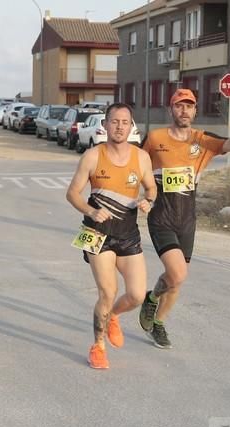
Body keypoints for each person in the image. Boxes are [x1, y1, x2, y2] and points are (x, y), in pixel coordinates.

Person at [139, 89, 230, 349]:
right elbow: (137, 164)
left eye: (189, 107)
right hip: (161, 216)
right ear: (172, 109)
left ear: (195, 111)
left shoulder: (203, 140)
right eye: (179, 106)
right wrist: (144, 195)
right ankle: (154, 304)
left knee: (177, 278)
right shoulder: (155, 138)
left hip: (187, 219)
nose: (184, 111)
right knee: (178, 274)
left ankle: (156, 313)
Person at [66, 102, 157, 369]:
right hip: (96, 232)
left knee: (138, 295)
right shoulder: (93, 156)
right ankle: (98, 346)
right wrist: (90, 211)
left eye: (125, 122)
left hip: (128, 233)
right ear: (105, 125)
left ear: (131, 126)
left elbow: (151, 189)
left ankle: (114, 316)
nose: (119, 127)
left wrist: (147, 201)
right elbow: (72, 193)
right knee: (108, 291)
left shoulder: (141, 158)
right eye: (114, 122)